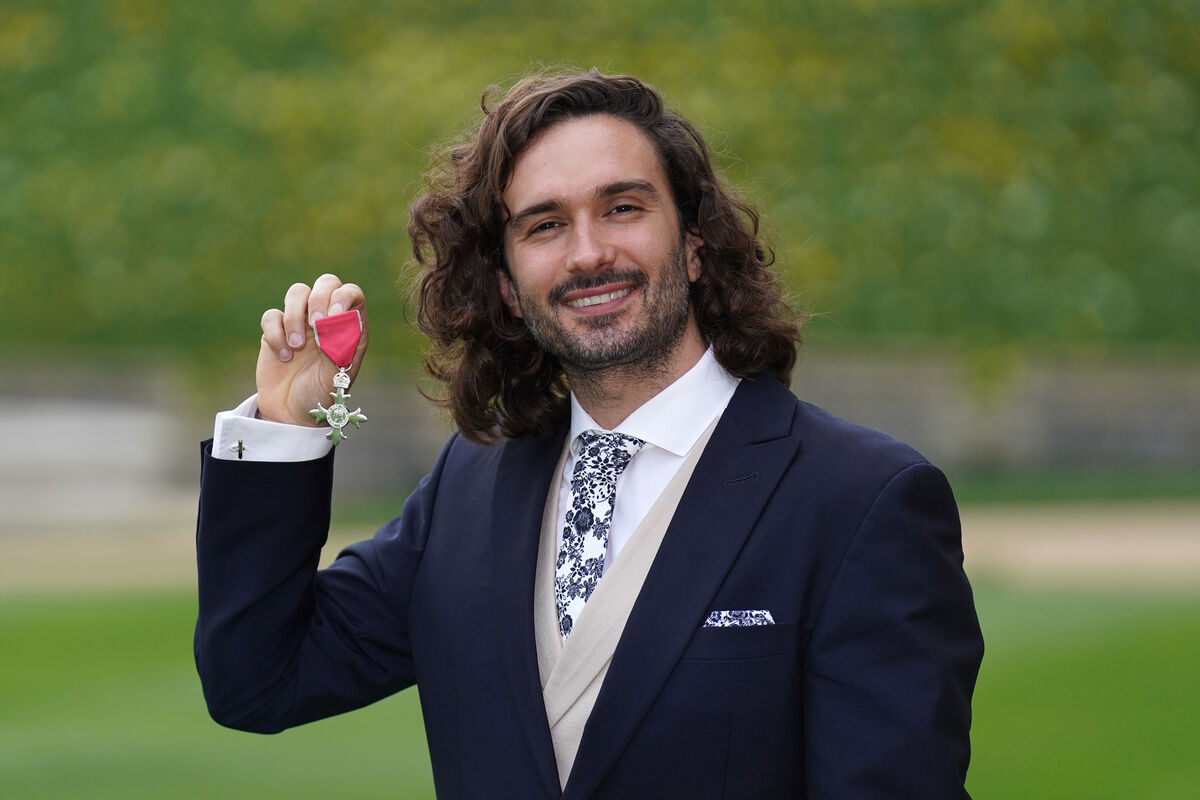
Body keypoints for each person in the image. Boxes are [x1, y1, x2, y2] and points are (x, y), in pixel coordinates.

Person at [195, 69, 983, 799]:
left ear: (696, 245)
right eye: (544, 225)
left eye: (623, 207)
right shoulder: (468, 487)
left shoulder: (862, 501)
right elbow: (259, 680)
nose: (589, 252)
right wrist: (287, 431)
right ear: (506, 285)